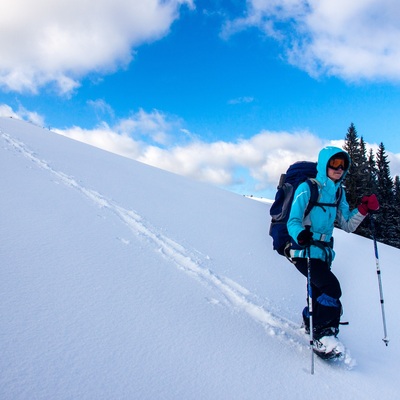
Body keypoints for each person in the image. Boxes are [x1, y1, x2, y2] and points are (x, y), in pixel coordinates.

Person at [287, 146, 379, 357]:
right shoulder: (307, 187)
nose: (339, 169)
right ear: (324, 165)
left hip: (324, 253)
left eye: (342, 165)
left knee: (319, 290)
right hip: (304, 251)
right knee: (331, 288)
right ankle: (323, 334)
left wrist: (364, 210)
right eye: (334, 164)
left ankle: (310, 319)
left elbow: (346, 224)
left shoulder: (338, 192)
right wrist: (300, 234)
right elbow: (293, 220)